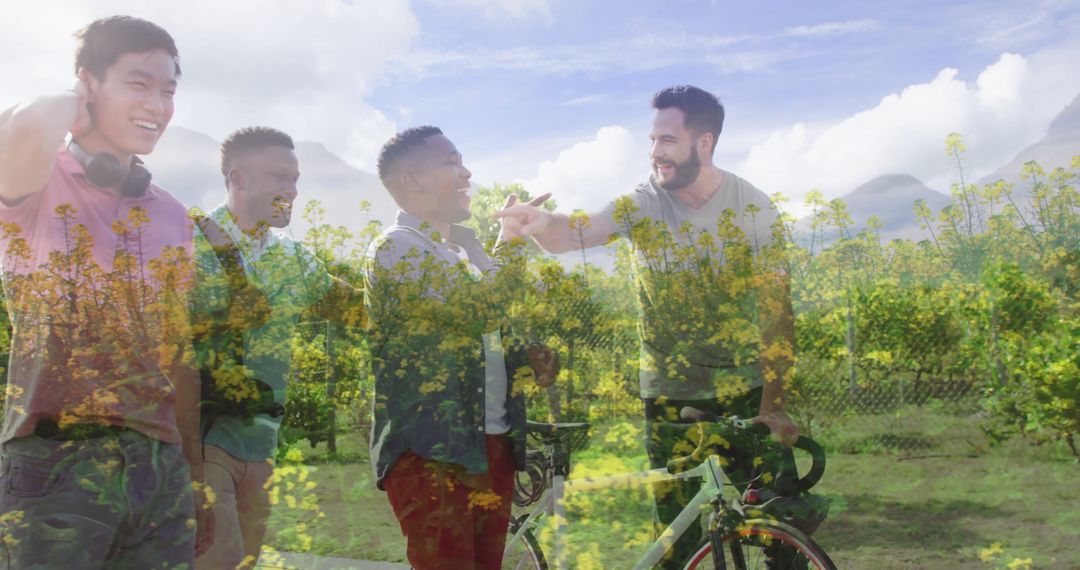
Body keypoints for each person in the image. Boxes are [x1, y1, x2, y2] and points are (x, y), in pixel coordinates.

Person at [497, 85, 799, 567]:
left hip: (745, 386)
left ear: (704, 143)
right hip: (668, 392)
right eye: (652, 140)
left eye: (668, 140)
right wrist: (536, 223)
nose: (655, 152)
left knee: (781, 531)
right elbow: (576, 231)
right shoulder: (644, 200)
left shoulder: (754, 210)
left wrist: (773, 406)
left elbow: (777, 312)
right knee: (674, 535)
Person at [0, 15, 211, 567]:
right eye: (139, 84)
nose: (159, 106)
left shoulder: (172, 213)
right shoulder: (35, 180)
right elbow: (22, 126)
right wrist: (74, 94)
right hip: (54, 458)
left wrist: (192, 468)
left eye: (168, 91)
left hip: (160, 463)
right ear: (87, 85)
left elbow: (176, 349)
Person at [364, 126, 556, 570]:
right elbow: (479, 310)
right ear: (413, 180)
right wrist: (509, 240)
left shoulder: (463, 253)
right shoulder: (396, 248)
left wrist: (522, 362)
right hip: (433, 451)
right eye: (452, 163)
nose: (467, 173)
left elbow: (473, 337)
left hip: (488, 442)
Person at [191, 126, 363, 569]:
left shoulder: (296, 259)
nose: (291, 190)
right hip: (199, 440)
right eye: (278, 177)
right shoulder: (188, 245)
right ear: (238, 178)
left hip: (262, 444)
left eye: (295, 179)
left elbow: (361, 312)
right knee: (220, 559)